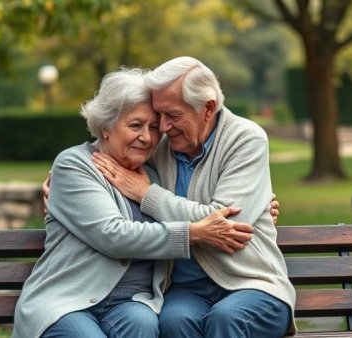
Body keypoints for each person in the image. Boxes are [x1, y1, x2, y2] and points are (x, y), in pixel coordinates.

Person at [12, 67, 256, 338]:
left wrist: (260, 202)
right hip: (68, 301)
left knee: (143, 323)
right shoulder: (75, 165)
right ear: (106, 127)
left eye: (154, 127)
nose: (148, 137)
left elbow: (192, 199)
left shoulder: (155, 172)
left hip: (132, 303)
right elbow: (112, 235)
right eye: (136, 125)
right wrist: (192, 234)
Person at [91, 56, 296, 337]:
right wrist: (63, 172)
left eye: (172, 115)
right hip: (187, 291)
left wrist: (146, 194)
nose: (161, 128)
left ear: (208, 108)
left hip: (252, 283)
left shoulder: (247, 139)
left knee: (226, 318)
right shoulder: (161, 145)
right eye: (159, 115)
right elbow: (111, 141)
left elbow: (225, 222)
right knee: (173, 321)